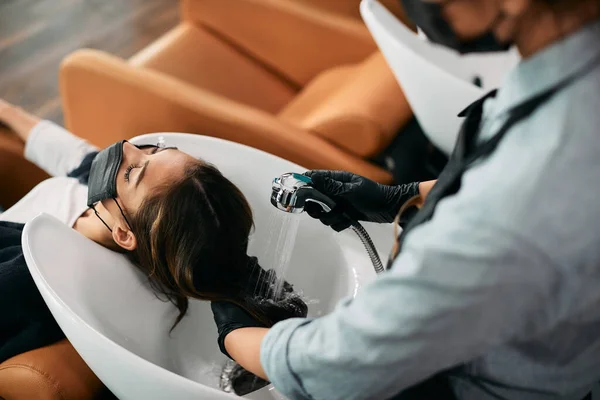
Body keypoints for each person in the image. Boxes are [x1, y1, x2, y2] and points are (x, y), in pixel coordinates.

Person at [210, 0, 600, 399]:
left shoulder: (522, 195)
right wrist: (402, 197)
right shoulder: (568, 74)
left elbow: (342, 366)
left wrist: (235, 335)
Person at [0, 99, 307, 395]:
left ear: (123, 234)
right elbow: (76, 157)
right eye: (156, 151)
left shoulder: (30, 271)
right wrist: (8, 111)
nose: (127, 148)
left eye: (133, 171)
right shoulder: (112, 203)